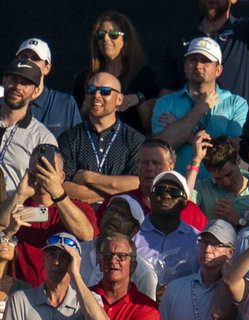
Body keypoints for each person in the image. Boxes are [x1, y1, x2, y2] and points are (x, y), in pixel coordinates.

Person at [151, 37, 249, 175]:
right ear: (185, 65)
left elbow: (235, 148)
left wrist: (185, 134)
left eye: (205, 61)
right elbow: (160, 147)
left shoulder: (236, 103)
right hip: (177, 188)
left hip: (220, 188)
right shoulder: (165, 102)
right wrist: (199, 109)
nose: (198, 66)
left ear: (218, 69)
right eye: (193, 60)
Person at [58, 72, 145, 206]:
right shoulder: (69, 138)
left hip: (121, 220)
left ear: (119, 100)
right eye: (91, 90)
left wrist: (88, 177)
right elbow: (62, 188)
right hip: (79, 220)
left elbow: (138, 184)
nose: (96, 96)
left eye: (105, 91)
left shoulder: (135, 140)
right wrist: (114, 191)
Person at [72, 12, 159, 131]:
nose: (106, 39)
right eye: (101, 35)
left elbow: (152, 126)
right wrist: (88, 105)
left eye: (113, 34)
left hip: (133, 144)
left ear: (126, 41)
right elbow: (75, 121)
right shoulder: (85, 78)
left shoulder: (144, 76)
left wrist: (139, 100)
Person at [0, 60, 58, 193]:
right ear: (4, 80)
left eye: (25, 83)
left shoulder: (42, 138)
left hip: (14, 210)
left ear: (36, 91)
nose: (17, 87)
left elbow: (45, 193)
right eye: (13, 80)